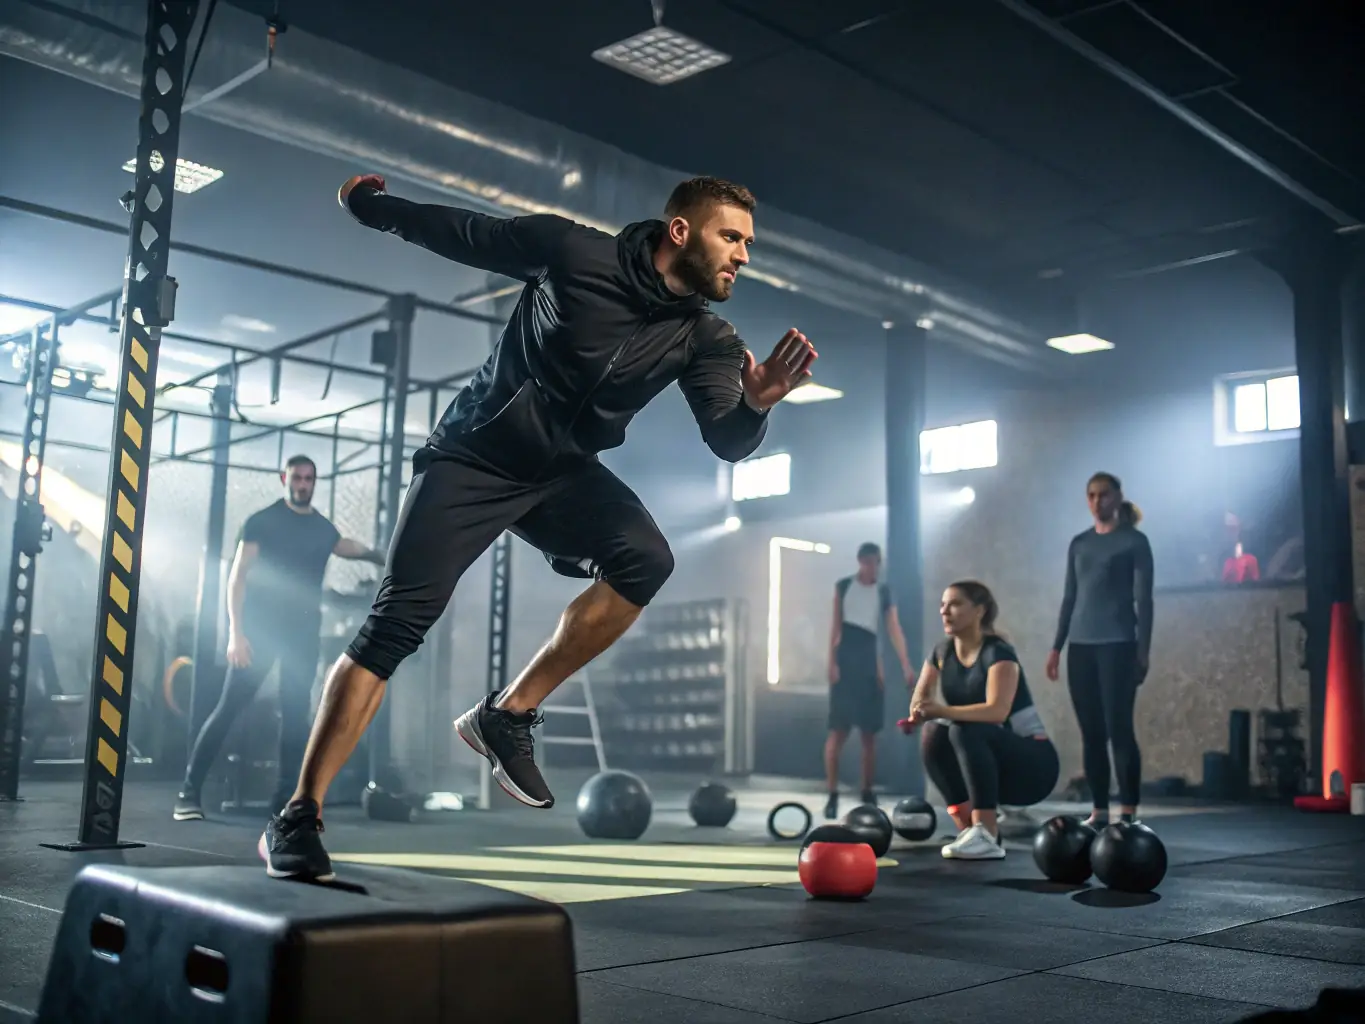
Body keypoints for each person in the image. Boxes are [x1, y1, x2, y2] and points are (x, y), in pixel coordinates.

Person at [258, 173, 818, 881]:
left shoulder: (704, 337)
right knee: (396, 624)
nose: (742, 255)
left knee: (645, 560)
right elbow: (462, 233)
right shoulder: (571, 251)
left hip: (561, 475)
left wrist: (757, 404)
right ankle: (299, 814)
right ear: (681, 231)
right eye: (730, 237)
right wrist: (372, 208)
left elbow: (726, 439)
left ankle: (508, 714)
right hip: (474, 455)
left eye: (746, 243)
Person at [173, 455, 386, 821]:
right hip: (259, 633)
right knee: (228, 708)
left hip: (302, 636)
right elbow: (237, 577)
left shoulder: (321, 527)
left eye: (309, 479)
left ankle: (284, 801)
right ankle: (188, 794)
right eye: (298, 478)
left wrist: (379, 555)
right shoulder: (262, 522)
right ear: (284, 478)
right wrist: (236, 634)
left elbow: (342, 546)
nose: (303, 484)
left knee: (295, 716)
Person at [908, 581, 1059, 860]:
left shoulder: (997, 652)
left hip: (1033, 766)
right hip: (984, 763)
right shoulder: (942, 653)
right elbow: (920, 701)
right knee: (934, 733)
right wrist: (917, 715)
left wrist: (940, 711)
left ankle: (987, 831)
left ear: (979, 611)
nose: (945, 611)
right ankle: (970, 830)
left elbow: (996, 712)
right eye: (943, 605)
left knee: (964, 728)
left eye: (954, 604)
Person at [1045, 471, 1154, 828]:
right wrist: (1056, 647)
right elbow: (1069, 597)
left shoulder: (1134, 542)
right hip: (1081, 646)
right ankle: (1099, 809)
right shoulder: (1079, 543)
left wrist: (1143, 651)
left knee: (1119, 728)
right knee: (1091, 732)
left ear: (1118, 497)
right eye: (1091, 495)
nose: (1096, 502)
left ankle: (1129, 811)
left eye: (1103, 495)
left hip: (1119, 644)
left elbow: (1144, 600)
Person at [823, 542, 913, 818]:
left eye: (876, 563)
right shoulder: (843, 586)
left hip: (868, 662)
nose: (872, 568)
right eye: (868, 563)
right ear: (860, 562)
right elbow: (836, 627)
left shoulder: (884, 592)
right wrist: (832, 662)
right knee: (838, 731)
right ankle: (832, 792)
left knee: (869, 735)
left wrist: (905, 664)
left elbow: (893, 628)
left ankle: (867, 789)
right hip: (847, 657)